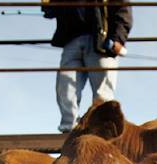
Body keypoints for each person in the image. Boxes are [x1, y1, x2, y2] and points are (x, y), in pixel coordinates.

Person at [42, 0, 133, 132]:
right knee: (65, 87)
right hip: (72, 40)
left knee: (103, 93)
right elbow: (50, 10)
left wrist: (118, 39)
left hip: (101, 40)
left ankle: (103, 131)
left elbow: (123, 9)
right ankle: (69, 129)